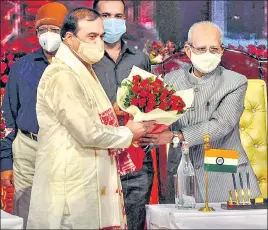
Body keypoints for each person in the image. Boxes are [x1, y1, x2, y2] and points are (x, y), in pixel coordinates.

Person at [26, 7, 154, 229]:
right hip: (70, 184)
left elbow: (83, 118)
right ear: (69, 39)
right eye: (91, 36)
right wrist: (128, 133)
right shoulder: (63, 75)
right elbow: (87, 132)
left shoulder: (81, 69)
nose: (98, 42)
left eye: (101, 36)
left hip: (86, 177)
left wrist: (113, 113)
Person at [139, 21, 261, 203]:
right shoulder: (171, 80)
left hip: (223, 173)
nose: (208, 55)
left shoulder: (235, 81)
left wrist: (175, 136)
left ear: (222, 50)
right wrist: (144, 135)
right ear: (188, 50)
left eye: (214, 49)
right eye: (201, 49)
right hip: (181, 174)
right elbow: (156, 121)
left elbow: (221, 125)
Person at [0, 2, 68, 227]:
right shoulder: (21, 68)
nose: (48, 35)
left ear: (67, 32)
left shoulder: (79, 66)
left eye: (55, 29)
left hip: (66, 149)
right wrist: (5, 162)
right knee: (26, 213)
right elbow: (8, 118)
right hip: (28, 149)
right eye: (42, 30)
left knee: (65, 213)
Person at [92, 1, 153, 229]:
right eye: (105, 15)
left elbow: (151, 103)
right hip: (98, 158)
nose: (112, 21)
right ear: (94, 18)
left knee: (135, 223)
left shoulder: (139, 58)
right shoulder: (84, 60)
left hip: (137, 159)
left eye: (118, 16)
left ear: (125, 19)